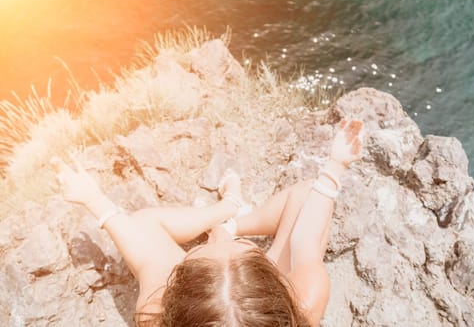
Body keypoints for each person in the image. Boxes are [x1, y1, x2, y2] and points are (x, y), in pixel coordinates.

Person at [52, 119, 363, 327]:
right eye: (246, 249)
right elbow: (306, 242)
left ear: (174, 295)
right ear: (277, 292)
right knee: (309, 192)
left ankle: (226, 211)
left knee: (144, 224)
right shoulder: (304, 305)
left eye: (196, 254)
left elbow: (145, 254)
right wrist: (335, 165)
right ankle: (233, 219)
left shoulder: (154, 314)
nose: (225, 246)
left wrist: (92, 198)